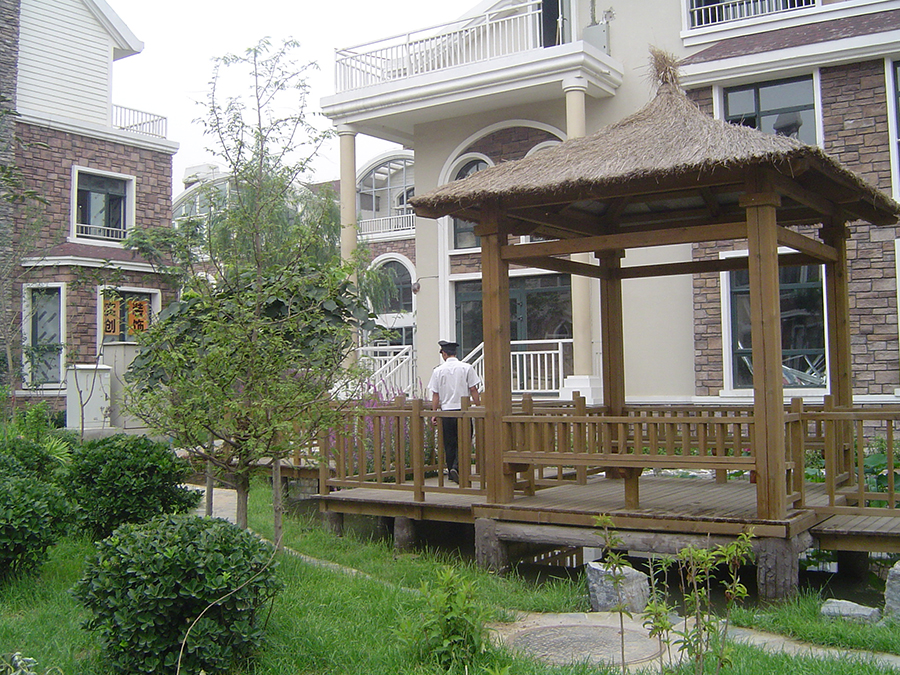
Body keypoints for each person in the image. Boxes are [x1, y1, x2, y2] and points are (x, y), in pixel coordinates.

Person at [427, 340, 481, 484]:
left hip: (446, 411)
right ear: (455, 353)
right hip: (463, 411)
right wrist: (479, 407)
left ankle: (452, 469)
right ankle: (457, 467)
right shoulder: (466, 368)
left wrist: (434, 412)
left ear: (444, 354)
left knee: (449, 443)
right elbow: (473, 389)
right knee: (465, 440)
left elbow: (435, 394)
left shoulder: (438, 371)